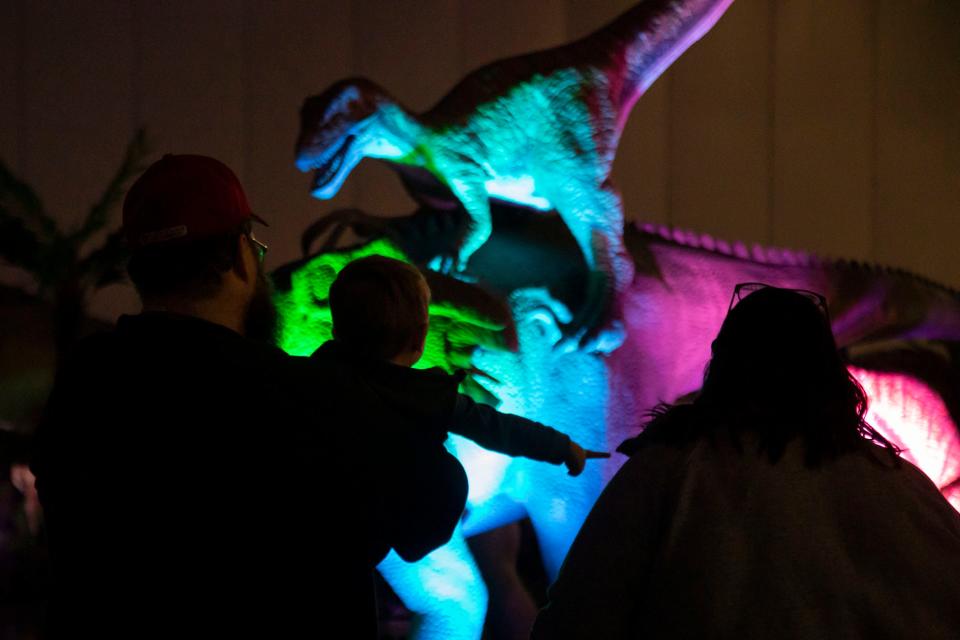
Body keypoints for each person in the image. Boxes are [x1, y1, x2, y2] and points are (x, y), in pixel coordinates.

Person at [30, 154, 467, 638]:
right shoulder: (308, 396)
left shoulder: (83, 384)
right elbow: (432, 508)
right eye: (255, 248)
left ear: (140, 274)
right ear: (240, 257)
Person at [532, 284, 960, 639]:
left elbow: (576, 617)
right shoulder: (903, 486)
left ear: (724, 361)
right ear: (828, 370)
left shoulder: (667, 470)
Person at [311, 254, 609, 476]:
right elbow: (495, 427)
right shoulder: (427, 396)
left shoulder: (308, 378)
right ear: (420, 338)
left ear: (336, 331)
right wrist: (564, 447)